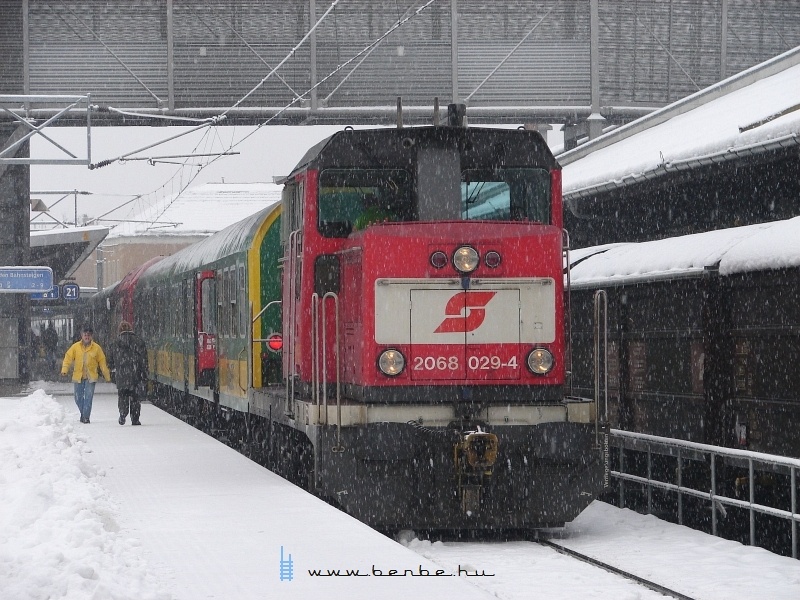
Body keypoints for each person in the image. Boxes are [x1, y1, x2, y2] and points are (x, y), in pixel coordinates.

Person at [61, 324, 111, 424]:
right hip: (78, 376)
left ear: (91, 336)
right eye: (85, 335)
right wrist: (64, 369)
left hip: (91, 377)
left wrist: (107, 376)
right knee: (77, 397)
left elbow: (102, 362)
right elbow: (68, 357)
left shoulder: (96, 348)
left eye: (88, 335)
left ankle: (86, 417)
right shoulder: (75, 347)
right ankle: (84, 414)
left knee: (88, 397)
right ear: (81, 336)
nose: (87, 337)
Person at [108, 320, 148, 426]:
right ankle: (135, 419)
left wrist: (114, 369)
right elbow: (144, 359)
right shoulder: (139, 341)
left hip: (121, 375)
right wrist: (144, 373)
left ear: (119, 330)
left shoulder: (115, 343)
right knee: (135, 398)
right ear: (131, 329)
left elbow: (110, 361)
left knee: (123, 396)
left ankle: (122, 414)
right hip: (136, 374)